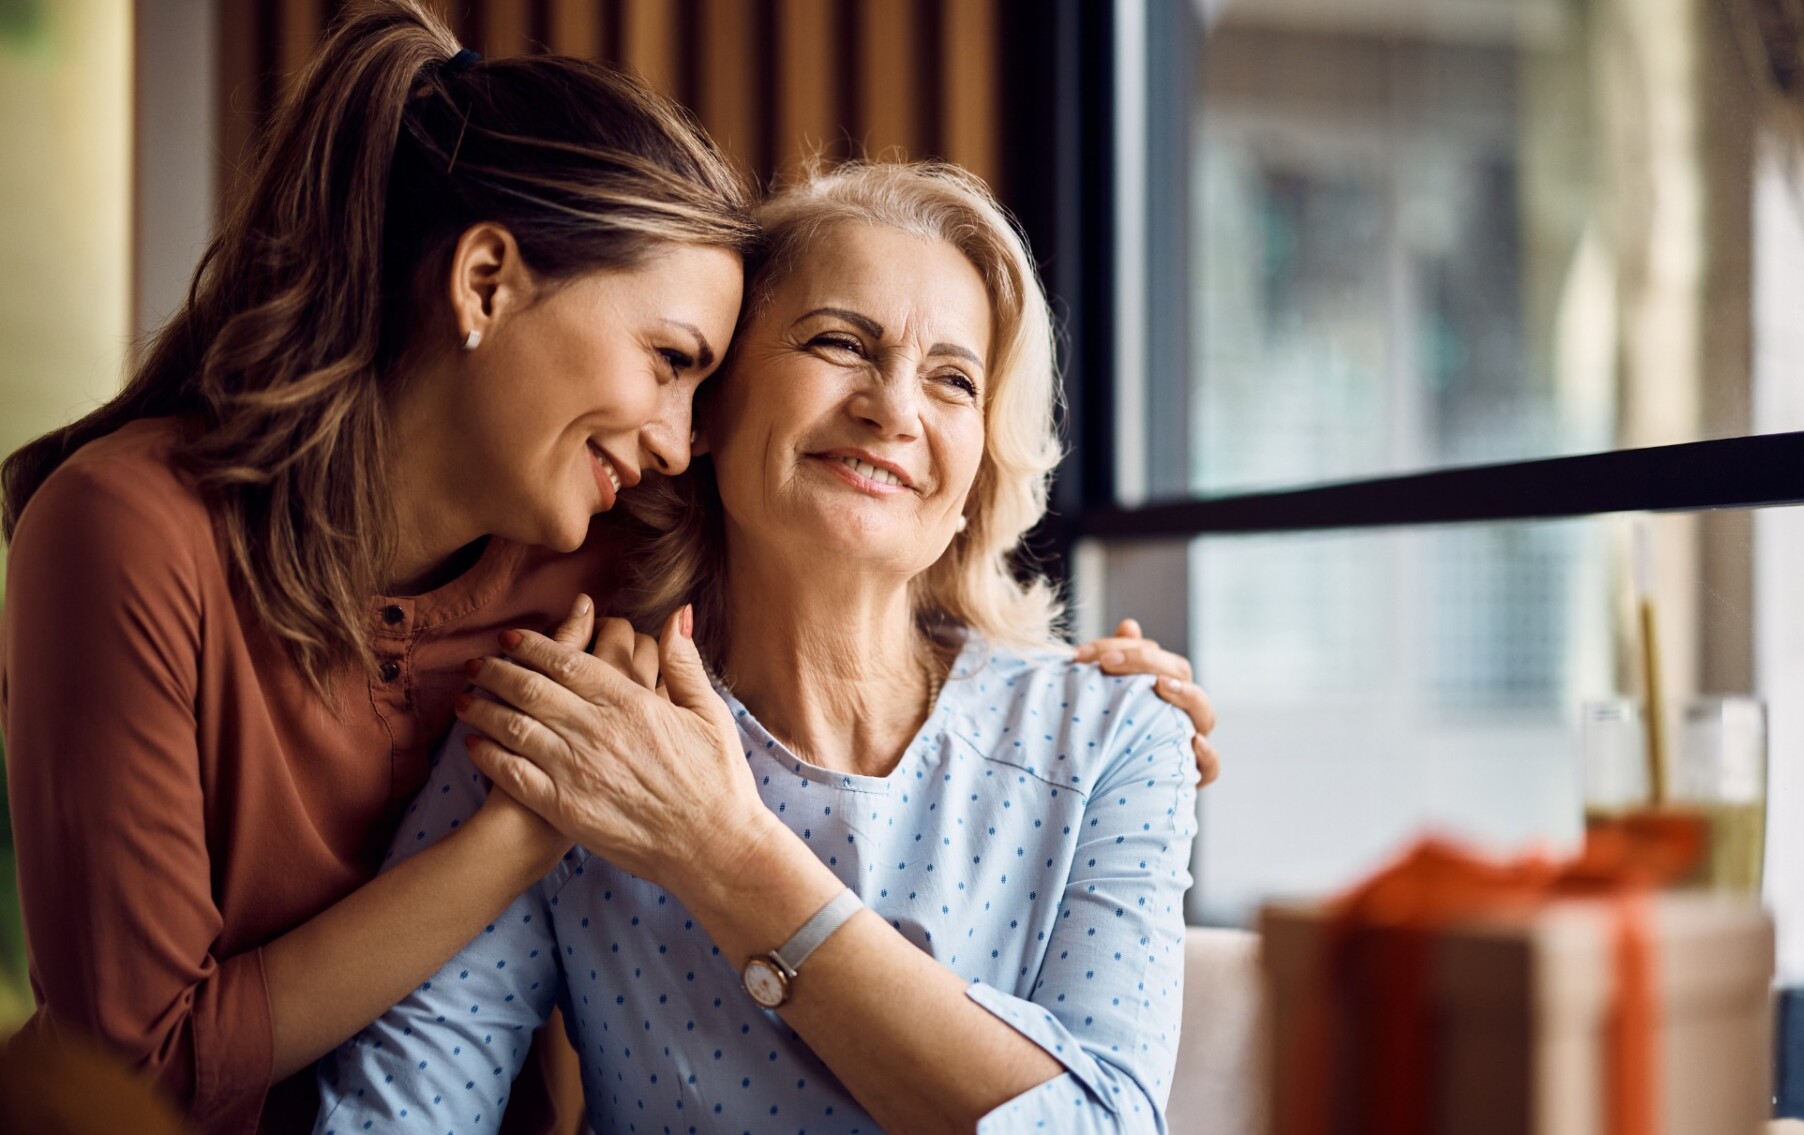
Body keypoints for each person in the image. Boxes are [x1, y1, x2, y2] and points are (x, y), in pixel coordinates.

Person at [316, 162, 1201, 1134]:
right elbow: (393, 1117)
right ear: (710, 410)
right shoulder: (574, 726)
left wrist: (723, 852)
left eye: (953, 379)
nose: (895, 408)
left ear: (977, 476)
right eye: (839, 342)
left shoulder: (1118, 737)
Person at [0, 3, 754, 1130]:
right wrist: (512, 838)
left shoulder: (616, 566)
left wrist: (1093, 690)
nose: (677, 442)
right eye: (668, 362)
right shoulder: (127, 533)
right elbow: (141, 1067)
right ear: (487, 281)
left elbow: (869, 668)